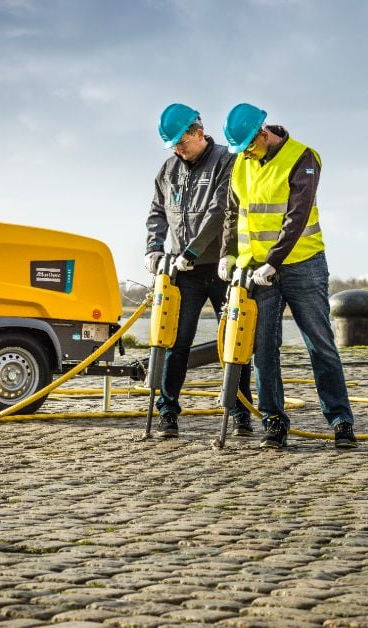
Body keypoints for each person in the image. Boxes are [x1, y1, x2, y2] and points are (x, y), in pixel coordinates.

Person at [218, 103, 357, 450]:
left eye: (249, 145)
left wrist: (274, 262)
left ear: (263, 134)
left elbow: (297, 216)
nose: (246, 153)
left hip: (302, 265)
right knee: (263, 348)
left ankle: (341, 421)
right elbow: (232, 214)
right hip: (255, 270)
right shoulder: (241, 164)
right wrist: (228, 254)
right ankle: (274, 422)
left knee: (320, 343)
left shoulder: (302, 158)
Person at [145, 103, 253, 439]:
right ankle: (167, 412)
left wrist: (192, 250)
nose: (179, 148)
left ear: (198, 131)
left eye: (182, 141)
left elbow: (220, 210)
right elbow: (157, 211)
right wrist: (153, 246)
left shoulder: (226, 161)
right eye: (174, 144)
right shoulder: (168, 170)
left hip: (220, 266)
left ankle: (240, 411)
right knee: (175, 340)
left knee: (234, 344)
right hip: (183, 272)